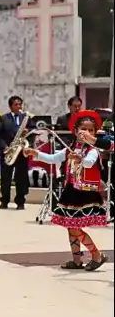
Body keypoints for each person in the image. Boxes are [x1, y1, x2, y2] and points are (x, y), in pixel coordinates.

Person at [25, 110, 109, 271]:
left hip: (84, 193)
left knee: (75, 227)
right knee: (71, 226)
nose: (87, 133)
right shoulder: (72, 147)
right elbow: (53, 158)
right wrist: (35, 153)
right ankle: (77, 260)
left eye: (91, 130)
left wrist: (79, 159)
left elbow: (89, 163)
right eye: (83, 129)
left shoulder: (93, 150)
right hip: (71, 191)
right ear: (76, 131)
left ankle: (96, 255)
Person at [0, 95, 30, 210]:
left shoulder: (26, 118)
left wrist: (27, 132)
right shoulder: (4, 118)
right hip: (8, 152)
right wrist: (4, 147)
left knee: (22, 178)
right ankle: (4, 201)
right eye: (16, 104)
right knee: (6, 178)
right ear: (10, 106)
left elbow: (34, 132)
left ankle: (20, 202)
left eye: (20, 104)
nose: (19, 107)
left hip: (21, 152)